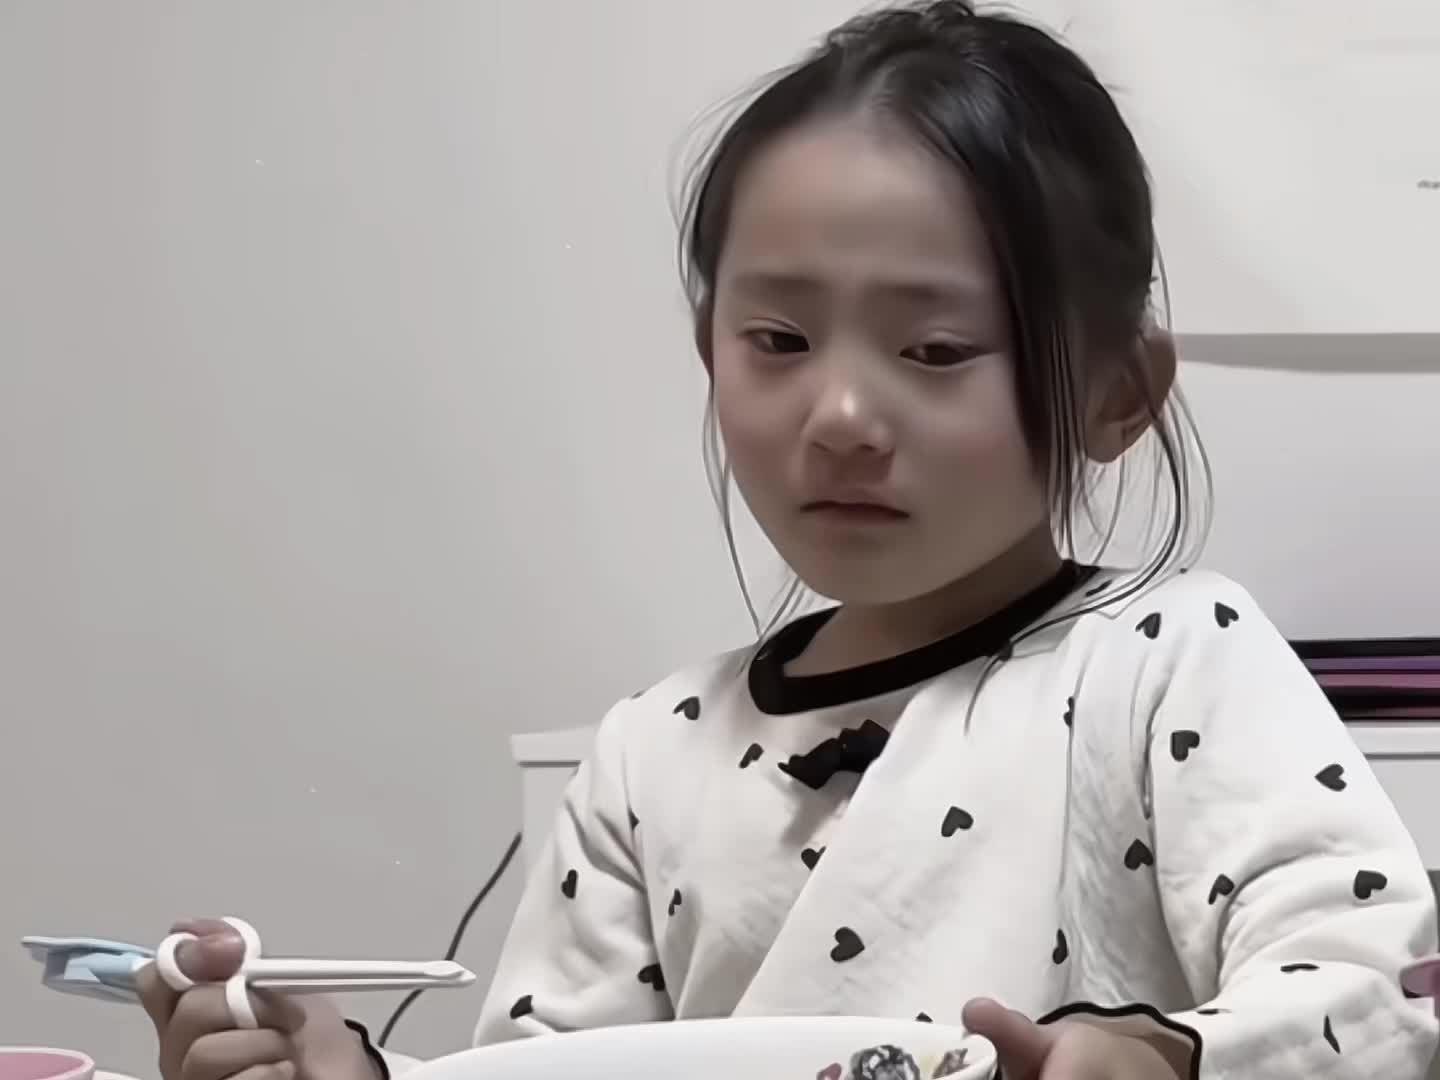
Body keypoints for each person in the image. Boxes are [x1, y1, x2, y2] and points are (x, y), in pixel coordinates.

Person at [136, 2, 1439, 1078]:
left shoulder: (1170, 660)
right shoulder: (651, 754)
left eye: (936, 348)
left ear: (1116, 392)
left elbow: (1376, 988)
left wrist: (1165, 1056)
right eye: (778, 340)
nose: (842, 417)